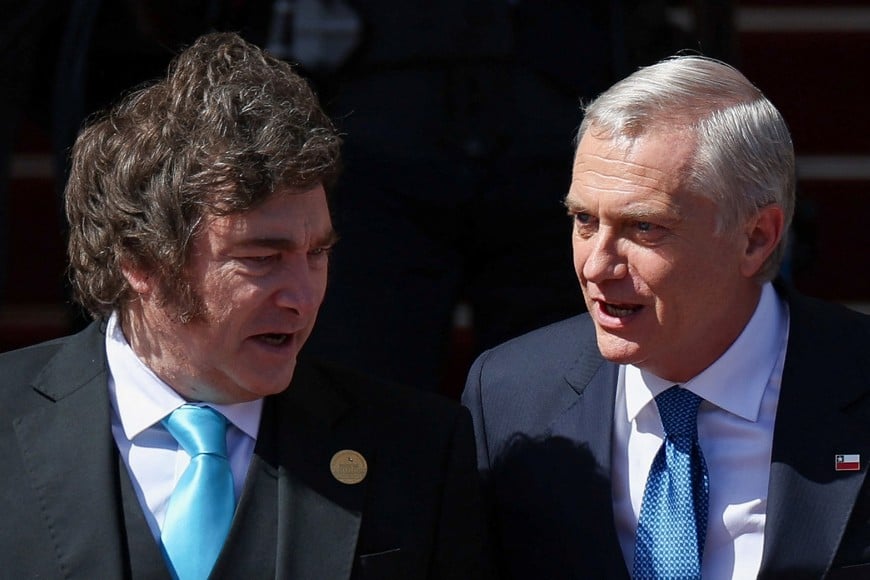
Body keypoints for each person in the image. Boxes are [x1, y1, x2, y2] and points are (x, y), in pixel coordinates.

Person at [0, 32, 487, 579]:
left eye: (317, 253)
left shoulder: (416, 448)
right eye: (260, 259)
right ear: (141, 261)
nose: (302, 296)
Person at [462, 55, 869, 579]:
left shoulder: (855, 379)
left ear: (756, 238)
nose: (597, 266)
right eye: (584, 219)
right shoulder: (508, 394)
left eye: (645, 227)